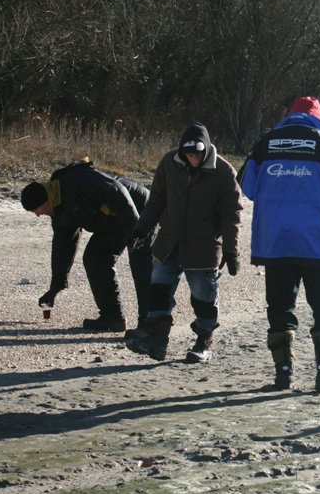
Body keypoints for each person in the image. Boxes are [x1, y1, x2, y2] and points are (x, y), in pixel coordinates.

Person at [238, 96, 320, 391]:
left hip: (275, 242)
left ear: (289, 115)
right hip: (317, 243)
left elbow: (247, 185)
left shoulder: (265, 142)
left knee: (279, 308)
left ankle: (283, 375)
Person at [126, 123, 243, 363]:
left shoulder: (223, 172)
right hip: (168, 242)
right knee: (158, 292)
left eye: (197, 154)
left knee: (203, 298)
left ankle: (203, 341)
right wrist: (142, 229)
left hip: (203, 247)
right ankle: (156, 340)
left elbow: (232, 215)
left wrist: (231, 251)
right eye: (188, 154)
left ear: (206, 150)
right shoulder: (169, 163)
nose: (192, 158)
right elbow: (156, 200)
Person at [20, 159, 152, 332]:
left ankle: (150, 325)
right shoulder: (59, 212)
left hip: (138, 208)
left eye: (37, 209)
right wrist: (55, 287)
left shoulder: (76, 180)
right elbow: (62, 248)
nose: (38, 215)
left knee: (140, 264)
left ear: (46, 201)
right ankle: (112, 318)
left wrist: (136, 230)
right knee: (95, 258)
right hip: (112, 221)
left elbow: (116, 190)